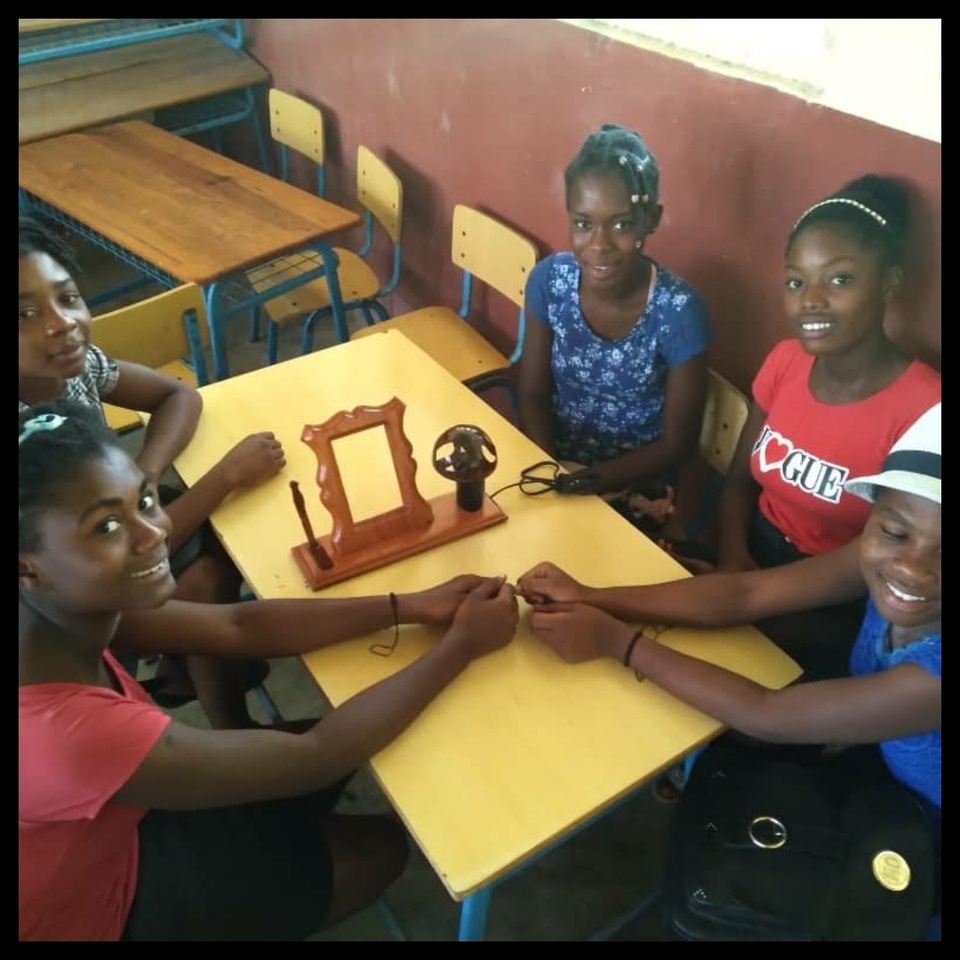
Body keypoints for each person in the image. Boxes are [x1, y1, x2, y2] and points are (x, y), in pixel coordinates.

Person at [18, 400, 519, 941]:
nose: (154, 533)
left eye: (144, 499)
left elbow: (237, 627)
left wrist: (410, 605)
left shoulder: (63, 607)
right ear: (28, 568)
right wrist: (462, 645)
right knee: (381, 846)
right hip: (102, 911)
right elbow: (315, 758)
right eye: (107, 526)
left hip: (116, 823)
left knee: (340, 750)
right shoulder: (62, 734)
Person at [518, 401, 940, 850]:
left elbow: (767, 713)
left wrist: (616, 641)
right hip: (872, 771)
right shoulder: (874, 559)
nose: (912, 568)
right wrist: (592, 596)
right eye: (895, 533)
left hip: (919, 838)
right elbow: (746, 594)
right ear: (873, 519)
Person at [19, 216, 283, 728]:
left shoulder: (74, 367)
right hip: (65, 602)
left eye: (67, 297)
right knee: (213, 575)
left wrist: (142, 476)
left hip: (107, 533)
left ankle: (205, 695)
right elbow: (121, 545)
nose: (61, 323)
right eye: (25, 314)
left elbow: (177, 394)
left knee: (221, 559)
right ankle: (222, 720)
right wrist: (222, 477)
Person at [699, 174, 941, 678]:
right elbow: (740, 481)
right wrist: (732, 554)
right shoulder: (786, 361)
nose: (810, 299)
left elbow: (885, 567)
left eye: (839, 280)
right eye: (795, 281)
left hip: (836, 600)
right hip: (750, 555)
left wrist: (737, 598)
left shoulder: (925, 408)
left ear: (890, 283)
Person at [517, 123, 713, 535]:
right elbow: (532, 390)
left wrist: (590, 482)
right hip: (555, 459)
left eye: (621, 225)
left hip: (640, 479)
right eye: (584, 223)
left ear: (651, 220)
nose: (600, 244)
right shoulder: (548, 283)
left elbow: (678, 444)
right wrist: (551, 468)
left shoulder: (679, 312)